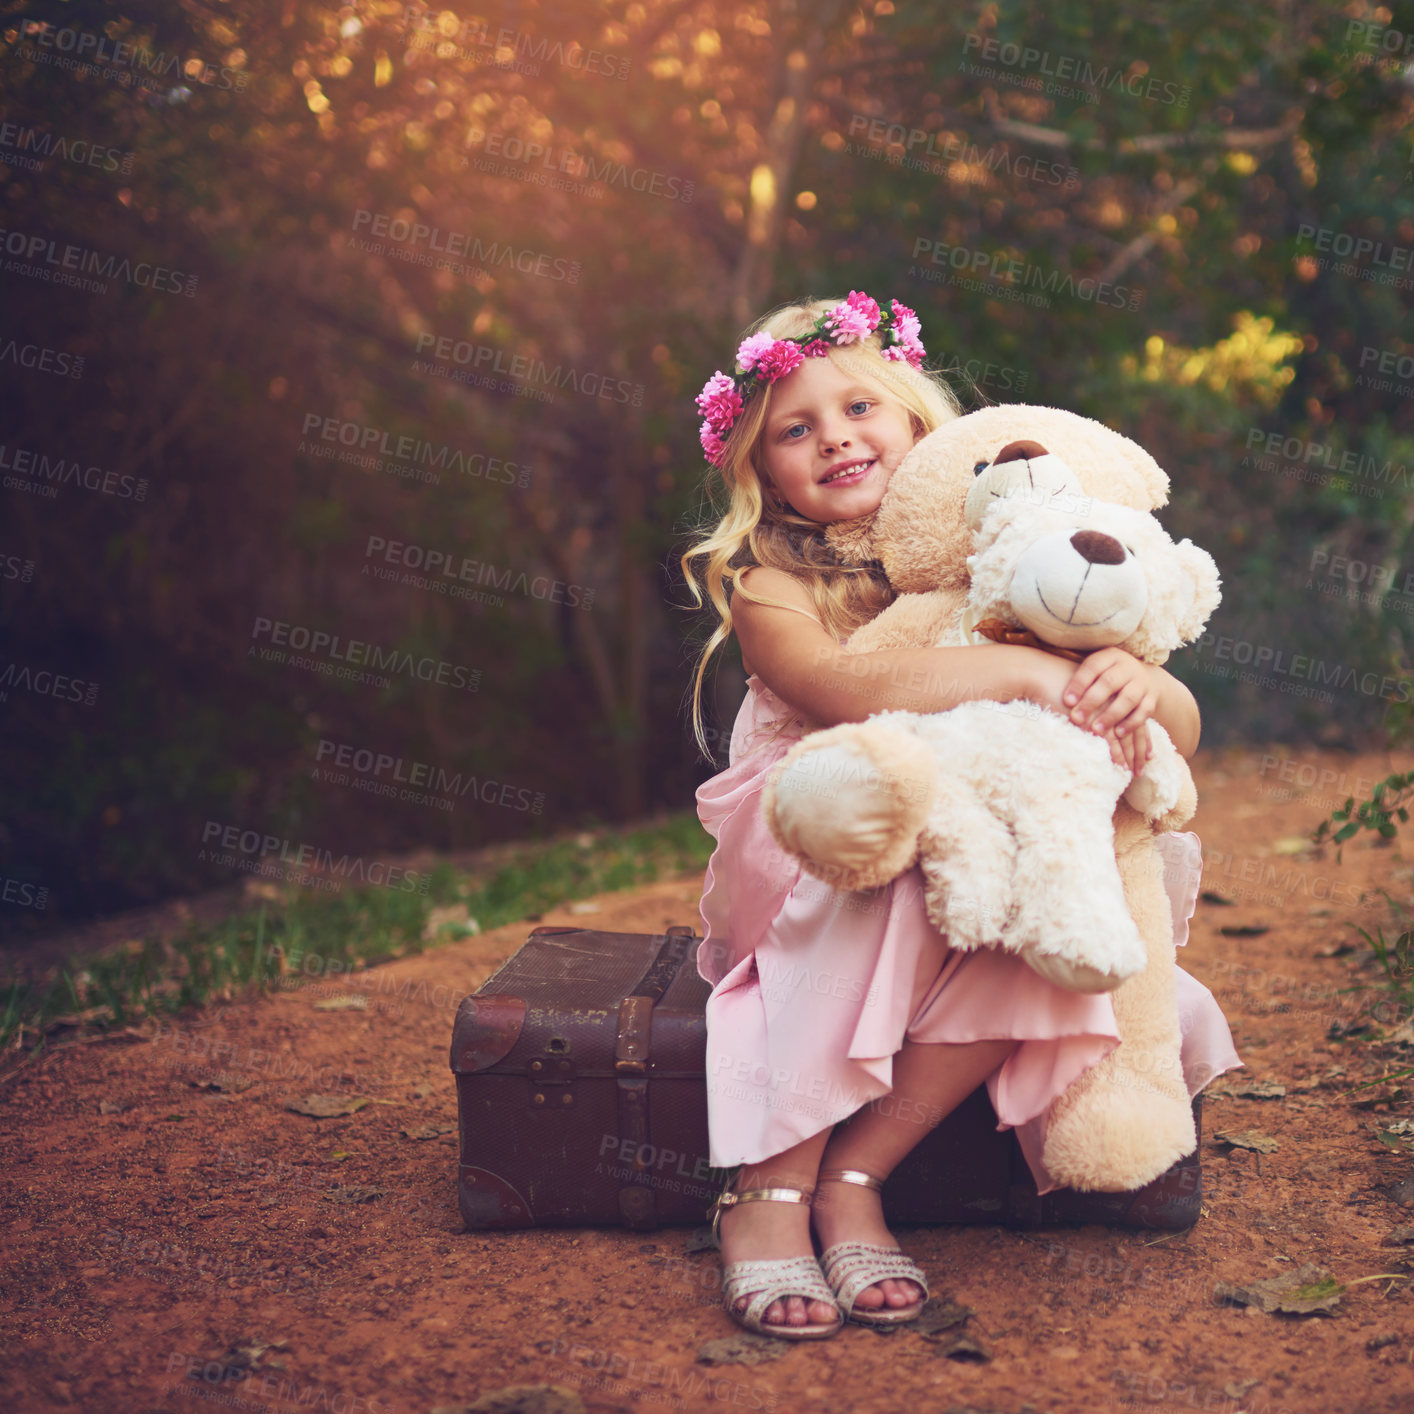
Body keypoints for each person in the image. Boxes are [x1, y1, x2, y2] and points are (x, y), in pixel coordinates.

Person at [677, 292, 1242, 1341]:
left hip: (978, 831)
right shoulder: (771, 583)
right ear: (762, 472)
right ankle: (767, 1185)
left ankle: (857, 1173)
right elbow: (839, 691)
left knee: (1047, 903)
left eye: (859, 409)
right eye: (795, 430)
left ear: (922, 427)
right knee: (891, 857)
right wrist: (1030, 670)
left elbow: (1184, 722)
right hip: (822, 829)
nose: (834, 437)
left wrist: (1131, 681)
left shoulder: (1006, 558)